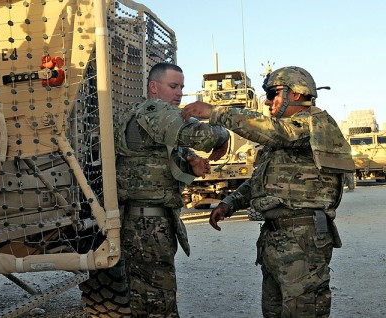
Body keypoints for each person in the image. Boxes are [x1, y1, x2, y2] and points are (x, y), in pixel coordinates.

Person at [181, 66, 355, 317]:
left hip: (302, 238)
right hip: (276, 238)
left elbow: (276, 132)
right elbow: (259, 181)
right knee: (273, 310)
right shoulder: (282, 139)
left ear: (296, 94)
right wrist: (229, 203)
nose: (268, 100)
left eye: (274, 93)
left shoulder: (314, 124)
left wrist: (216, 113)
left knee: (302, 311)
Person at [115, 62, 230, 317]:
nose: (179, 93)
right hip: (148, 224)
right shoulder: (155, 111)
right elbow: (204, 136)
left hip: (145, 221)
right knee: (158, 301)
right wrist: (223, 132)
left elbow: (158, 151)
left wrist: (189, 160)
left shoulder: (145, 115)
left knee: (150, 297)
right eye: (173, 86)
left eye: (182, 87)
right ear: (154, 87)